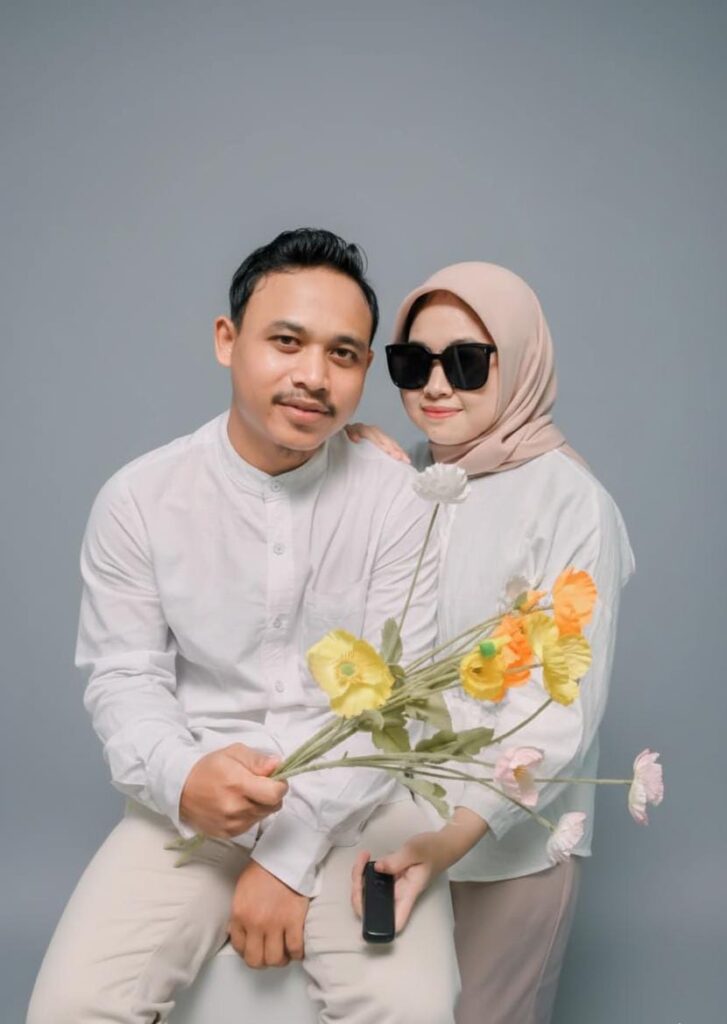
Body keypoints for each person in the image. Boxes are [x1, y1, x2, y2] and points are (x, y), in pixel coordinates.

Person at [26, 229, 461, 1024]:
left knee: (413, 1010)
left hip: (361, 802)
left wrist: (288, 860)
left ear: (365, 367)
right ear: (228, 340)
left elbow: (391, 705)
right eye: (286, 342)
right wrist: (182, 778)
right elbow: (125, 677)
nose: (313, 376)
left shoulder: (400, 502)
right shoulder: (139, 499)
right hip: (195, 802)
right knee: (71, 1009)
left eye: (342, 354)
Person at [348, 261, 635, 1024]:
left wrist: (455, 834)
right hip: (395, 827)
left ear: (520, 361)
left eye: (467, 362)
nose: (435, 386)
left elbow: (559, 708)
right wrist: (352, 466)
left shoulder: (570, 502)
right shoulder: (410, 476)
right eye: (412, 363)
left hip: (507, 849)